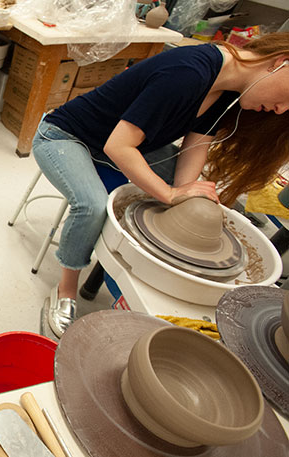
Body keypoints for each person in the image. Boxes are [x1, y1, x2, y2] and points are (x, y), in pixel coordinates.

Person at [34, 33, 289, 338]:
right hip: (67, 136)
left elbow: (196, 145)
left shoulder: (228, 90)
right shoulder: (188, 73)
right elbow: (120, 146)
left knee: (198, 195)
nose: (282, 110)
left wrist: (189, 197)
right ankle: (65, 291)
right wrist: (170, 193)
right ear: (282, 64)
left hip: (118, 145)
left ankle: (149, 272)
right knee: (92, 206)